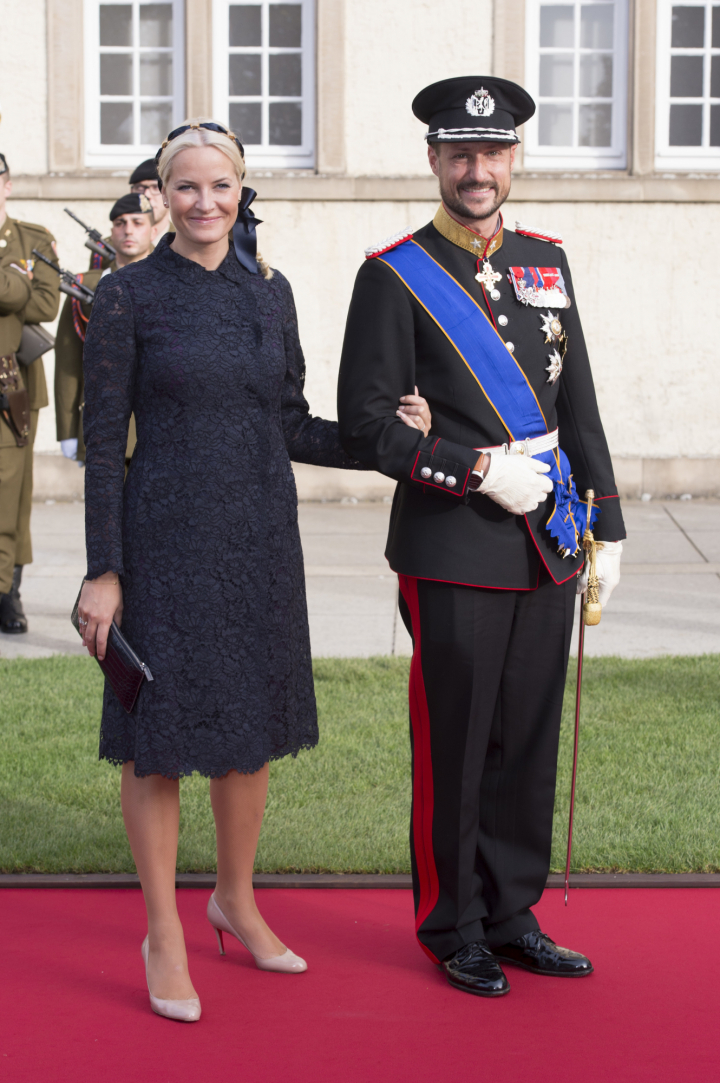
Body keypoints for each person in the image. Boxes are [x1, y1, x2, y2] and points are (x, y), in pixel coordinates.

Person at [76, 119, 431, 1022]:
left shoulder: (270, 294)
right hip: (160, 537)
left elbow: (290, 420)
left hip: (259, 537)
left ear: (242, 193)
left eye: (219, 186)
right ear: (160, 194)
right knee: (155, 738)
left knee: (248, 725)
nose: (203, 203)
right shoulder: (126, 297)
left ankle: (234, 897)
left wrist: (385, 439)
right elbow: (101, 447)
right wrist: (104, 570)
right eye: (184, 187)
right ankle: (163, 931)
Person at [337, 77, 626, 998]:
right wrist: (471, 467)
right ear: (433, 160)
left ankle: (511, 913)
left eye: (492, 153)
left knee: (526, 736)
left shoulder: (548, 260)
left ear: (513, 161)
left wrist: (607, 525)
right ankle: (450, 923)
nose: (477, 169)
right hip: (452, 539)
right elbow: (367, 424)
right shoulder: (393, 274)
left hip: (547, 535)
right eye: (460, 153)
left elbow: (576, 404)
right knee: (456, 741)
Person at [0, 152, 60, 634]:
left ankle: (7, 593)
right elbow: (20, 295)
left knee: (12, 495)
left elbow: (44, 301)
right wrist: (11, 287)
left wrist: (17, 296)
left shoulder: (32, 239)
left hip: (14, 384)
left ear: (8, 185)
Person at [55, 193, 157, 466]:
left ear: (154, 230)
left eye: (138, 222)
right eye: (121, 223)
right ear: (111, 232)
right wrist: (68, 430)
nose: (128, 230)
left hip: (160, 429)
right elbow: (68, 362)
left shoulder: (171, 282)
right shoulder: (87, 285)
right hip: (104, 427)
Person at [129, 158, 171, 240]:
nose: (146, 195)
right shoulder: (111, 247)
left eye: (156, 187)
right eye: (140, 188)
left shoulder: (189, 245)